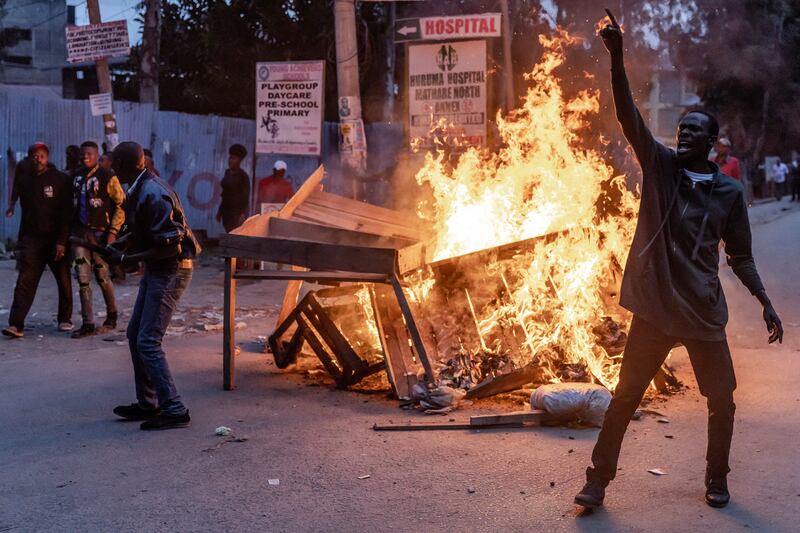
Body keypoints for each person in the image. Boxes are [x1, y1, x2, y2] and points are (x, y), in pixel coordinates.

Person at [575, 13, 784, 511]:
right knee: (624, 398)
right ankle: (597, 483)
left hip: (704, 315)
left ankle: (717, 479)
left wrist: (765, 300)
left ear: (711, 144)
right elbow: (629, 115)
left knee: (722, 401)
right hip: (655, 310)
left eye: (695, 132)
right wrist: (618, 56)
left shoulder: (730, 193)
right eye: (681, 129)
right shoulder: (661, 168)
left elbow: (740, 255)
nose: (683, 135)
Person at [106, 141, 201, 430]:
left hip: (171, 269)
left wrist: (125, 257)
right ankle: (149, 403)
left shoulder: (153, 192)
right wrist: (118, 245)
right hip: (159, 269)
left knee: (148, 340)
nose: (110, 167)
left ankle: (174, 408)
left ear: (123, 164)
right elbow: (138, 230)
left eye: (113, 163)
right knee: (136, 335)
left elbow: (169, 247)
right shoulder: (138, 188)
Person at [2, 143, 74, 338]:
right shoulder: (25, 180)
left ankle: (65, 319)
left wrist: (62, 241)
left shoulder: (60, 180)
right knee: (25, 281)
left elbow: (67, 214)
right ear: (29, 158)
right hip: (32, 241)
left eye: (41, 156)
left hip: (56, 240)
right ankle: (16, 325)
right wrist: (22, 240)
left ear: (47, 157)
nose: (38, 159)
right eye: (34, 156)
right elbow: (22, 207)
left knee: (63, 280)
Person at [69, 141, 126, 339]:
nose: (85, 157)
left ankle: (112, 315)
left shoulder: (107, 176)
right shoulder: (74, 177)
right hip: (78, 237)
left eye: (89, 154)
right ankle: (88, 323)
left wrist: (113, 233)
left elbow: (121, 204)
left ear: (97, 156)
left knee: (102, 276)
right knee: (82, 278)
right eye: (83, 153)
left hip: (101, 237)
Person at [216, 144, 250, 232]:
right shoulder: (227, 173)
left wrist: (243, 214)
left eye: (234, 158)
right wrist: (220, 212)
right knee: (228, 232)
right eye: (230, 158)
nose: (230, 160)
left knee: (234, 234)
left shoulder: (243, 176)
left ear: (239, 161)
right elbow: (224, 194)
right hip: (226, 212)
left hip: (236, 213)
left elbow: (245, 198)